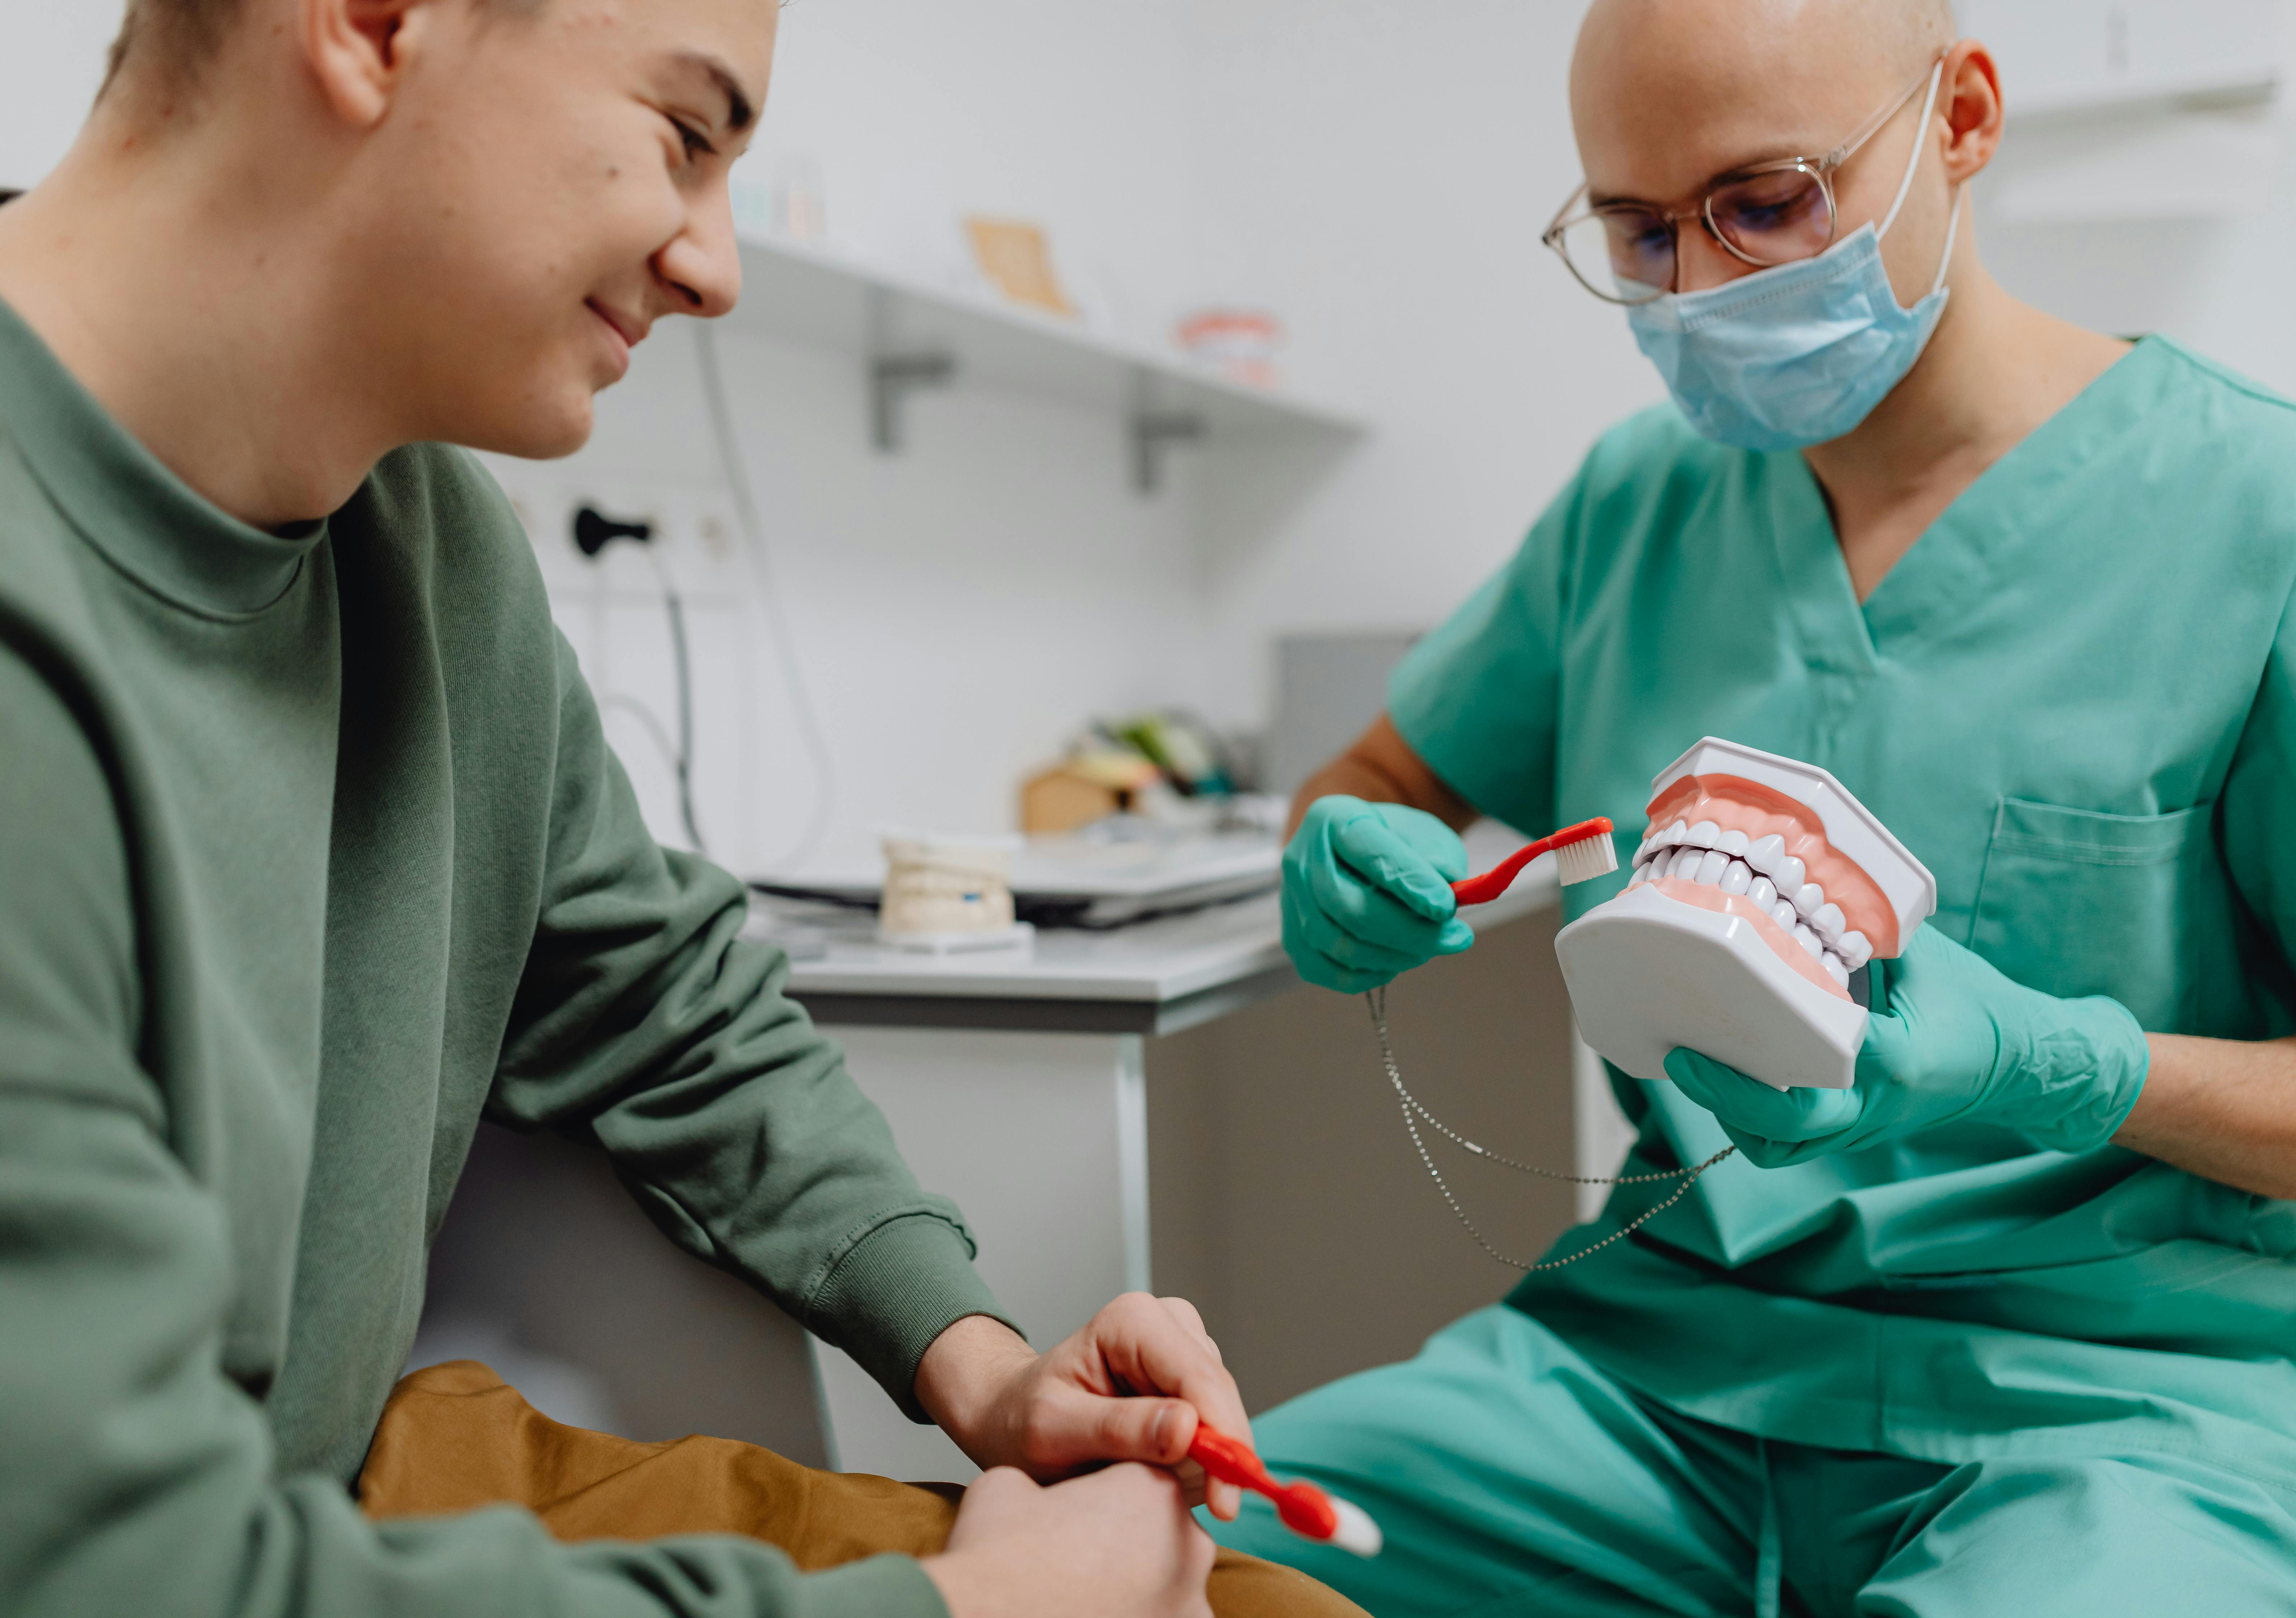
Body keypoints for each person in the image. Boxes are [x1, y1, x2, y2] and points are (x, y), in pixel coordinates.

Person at [0, 4, 1363, 1617]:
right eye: (686, 137)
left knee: (1248, 1600)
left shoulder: (428, 540)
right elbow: (114, 1567)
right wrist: (980, 1611)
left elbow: (663, 1002)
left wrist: (981, 1364)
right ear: (373, 25)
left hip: (335, 1473)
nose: (716, 266)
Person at [1224, 1, 2296, 1613]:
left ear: (1968, 118)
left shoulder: (2295, 521)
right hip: (1644, 1381)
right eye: (1641, 234)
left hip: (2112, 1412)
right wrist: (1348, 851)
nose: (1703, 288)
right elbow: (1380, 780)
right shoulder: (1633, 506)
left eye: (1766, 202)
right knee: (1152, 1548)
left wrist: (2069, 1067)